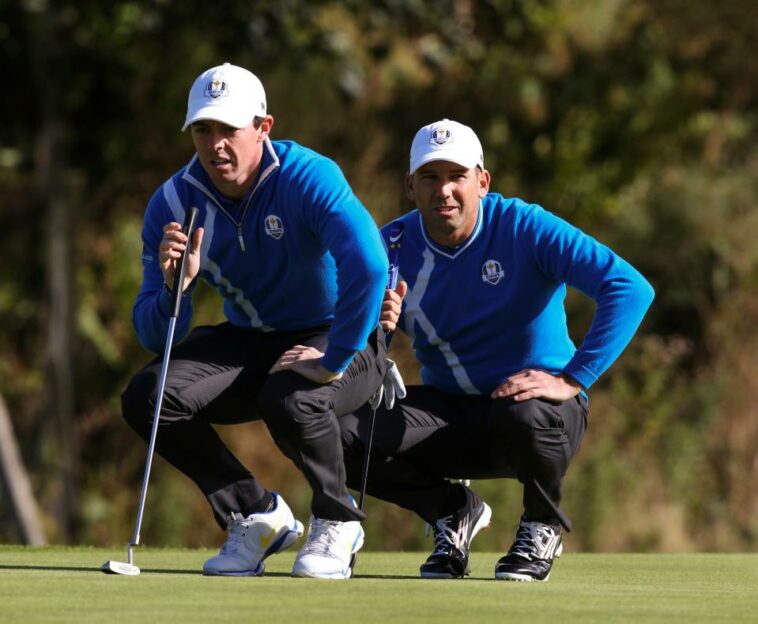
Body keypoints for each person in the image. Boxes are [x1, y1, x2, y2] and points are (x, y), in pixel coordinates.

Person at [340, 119, 655, 581]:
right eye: (429, 177)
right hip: (449, 417)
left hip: (537, 416)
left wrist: (572, 378)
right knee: (336, 427)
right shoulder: (391, 247)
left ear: (482, 181)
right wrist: (375, 328)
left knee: (524, 412)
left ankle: (540, 528)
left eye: (456, 176)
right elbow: (342, 323)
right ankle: (452, 511)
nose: (444, 190)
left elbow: (629, 288)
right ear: (410, 185)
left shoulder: (525, 226)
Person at [121, 63, 388, 579]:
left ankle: (338, 521)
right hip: (253, 338)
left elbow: (370, 265)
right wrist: (177, 288)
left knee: (290, 396)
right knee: (148, 397)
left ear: (264, 128)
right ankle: (257, 513)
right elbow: (154, 335)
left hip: (344, 334)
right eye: (203, 130)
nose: (215, 144)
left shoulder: (307, 176)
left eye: (229, 130)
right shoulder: (174, 203)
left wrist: (336, 359)